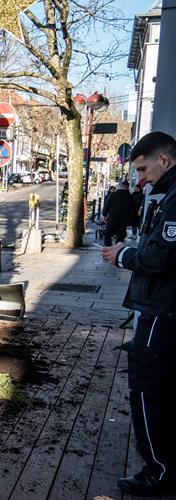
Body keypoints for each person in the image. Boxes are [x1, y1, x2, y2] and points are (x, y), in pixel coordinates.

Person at [100, 131, 176, 497]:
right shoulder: (166, 194)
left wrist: (124, 255)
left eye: (144, 169)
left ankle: (158, 470)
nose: (141, 178)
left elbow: (160, 257)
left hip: (162, 309)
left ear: (165, 160)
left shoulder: (175, 198)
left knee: (146, 387)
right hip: (161, 307)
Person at [101, 181, 134, 246]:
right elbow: (132, 209)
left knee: (108, 233)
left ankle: (108, 247)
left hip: (113, 217)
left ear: (120, 186)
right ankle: (117, 250)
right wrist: (131, 220)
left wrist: (104, 215)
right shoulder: (130, 196)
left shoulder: (114, 194)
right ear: (127, 187)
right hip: (124, 219)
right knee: (120, 236)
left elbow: (107, 205)